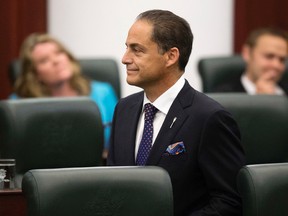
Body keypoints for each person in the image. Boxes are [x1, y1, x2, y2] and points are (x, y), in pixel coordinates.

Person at [107, 9, 245, 216]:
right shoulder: (124, 109)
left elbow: (230, 201)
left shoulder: (209, 117)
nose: (125, 59)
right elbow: (113, 186)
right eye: (127, 48)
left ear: (171, 56)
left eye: (137, 50)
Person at [10, 33, 118, 150]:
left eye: (58, 53)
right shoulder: (18, 104)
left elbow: (119, 139)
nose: (56, 61)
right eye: (44, 60)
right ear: (35, 74)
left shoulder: (103, 92)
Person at [217, 27, 288, 95]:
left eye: (282, 60)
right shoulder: (223, 95)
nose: (276, 65)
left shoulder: (285, 92)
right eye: (269, 56)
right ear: (247, 53)